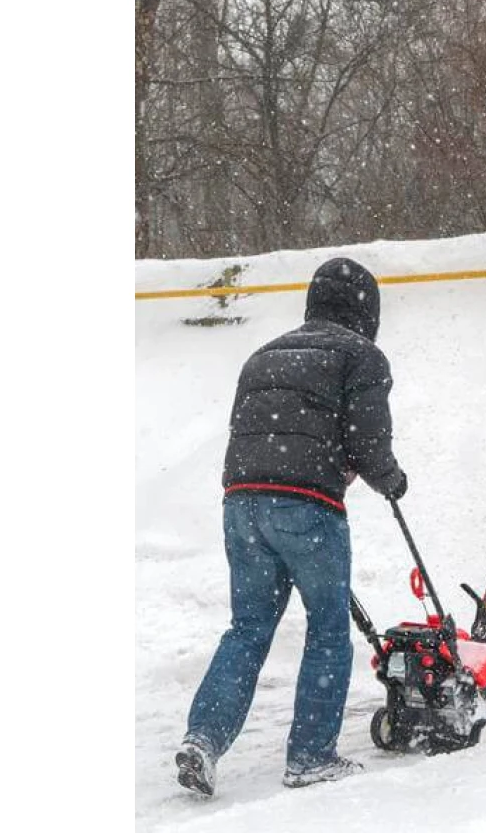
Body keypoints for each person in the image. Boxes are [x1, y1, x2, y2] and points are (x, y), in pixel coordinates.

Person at [175, 257, 408, 796]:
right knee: (328, 631)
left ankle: (202, 740)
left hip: (241, 503)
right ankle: (310, 756)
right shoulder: (363, 356)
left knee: (248, 628)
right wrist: (391, 480)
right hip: (306, 506)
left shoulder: (263, 355)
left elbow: (247, 428)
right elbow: (367, 442)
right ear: (366, 311)